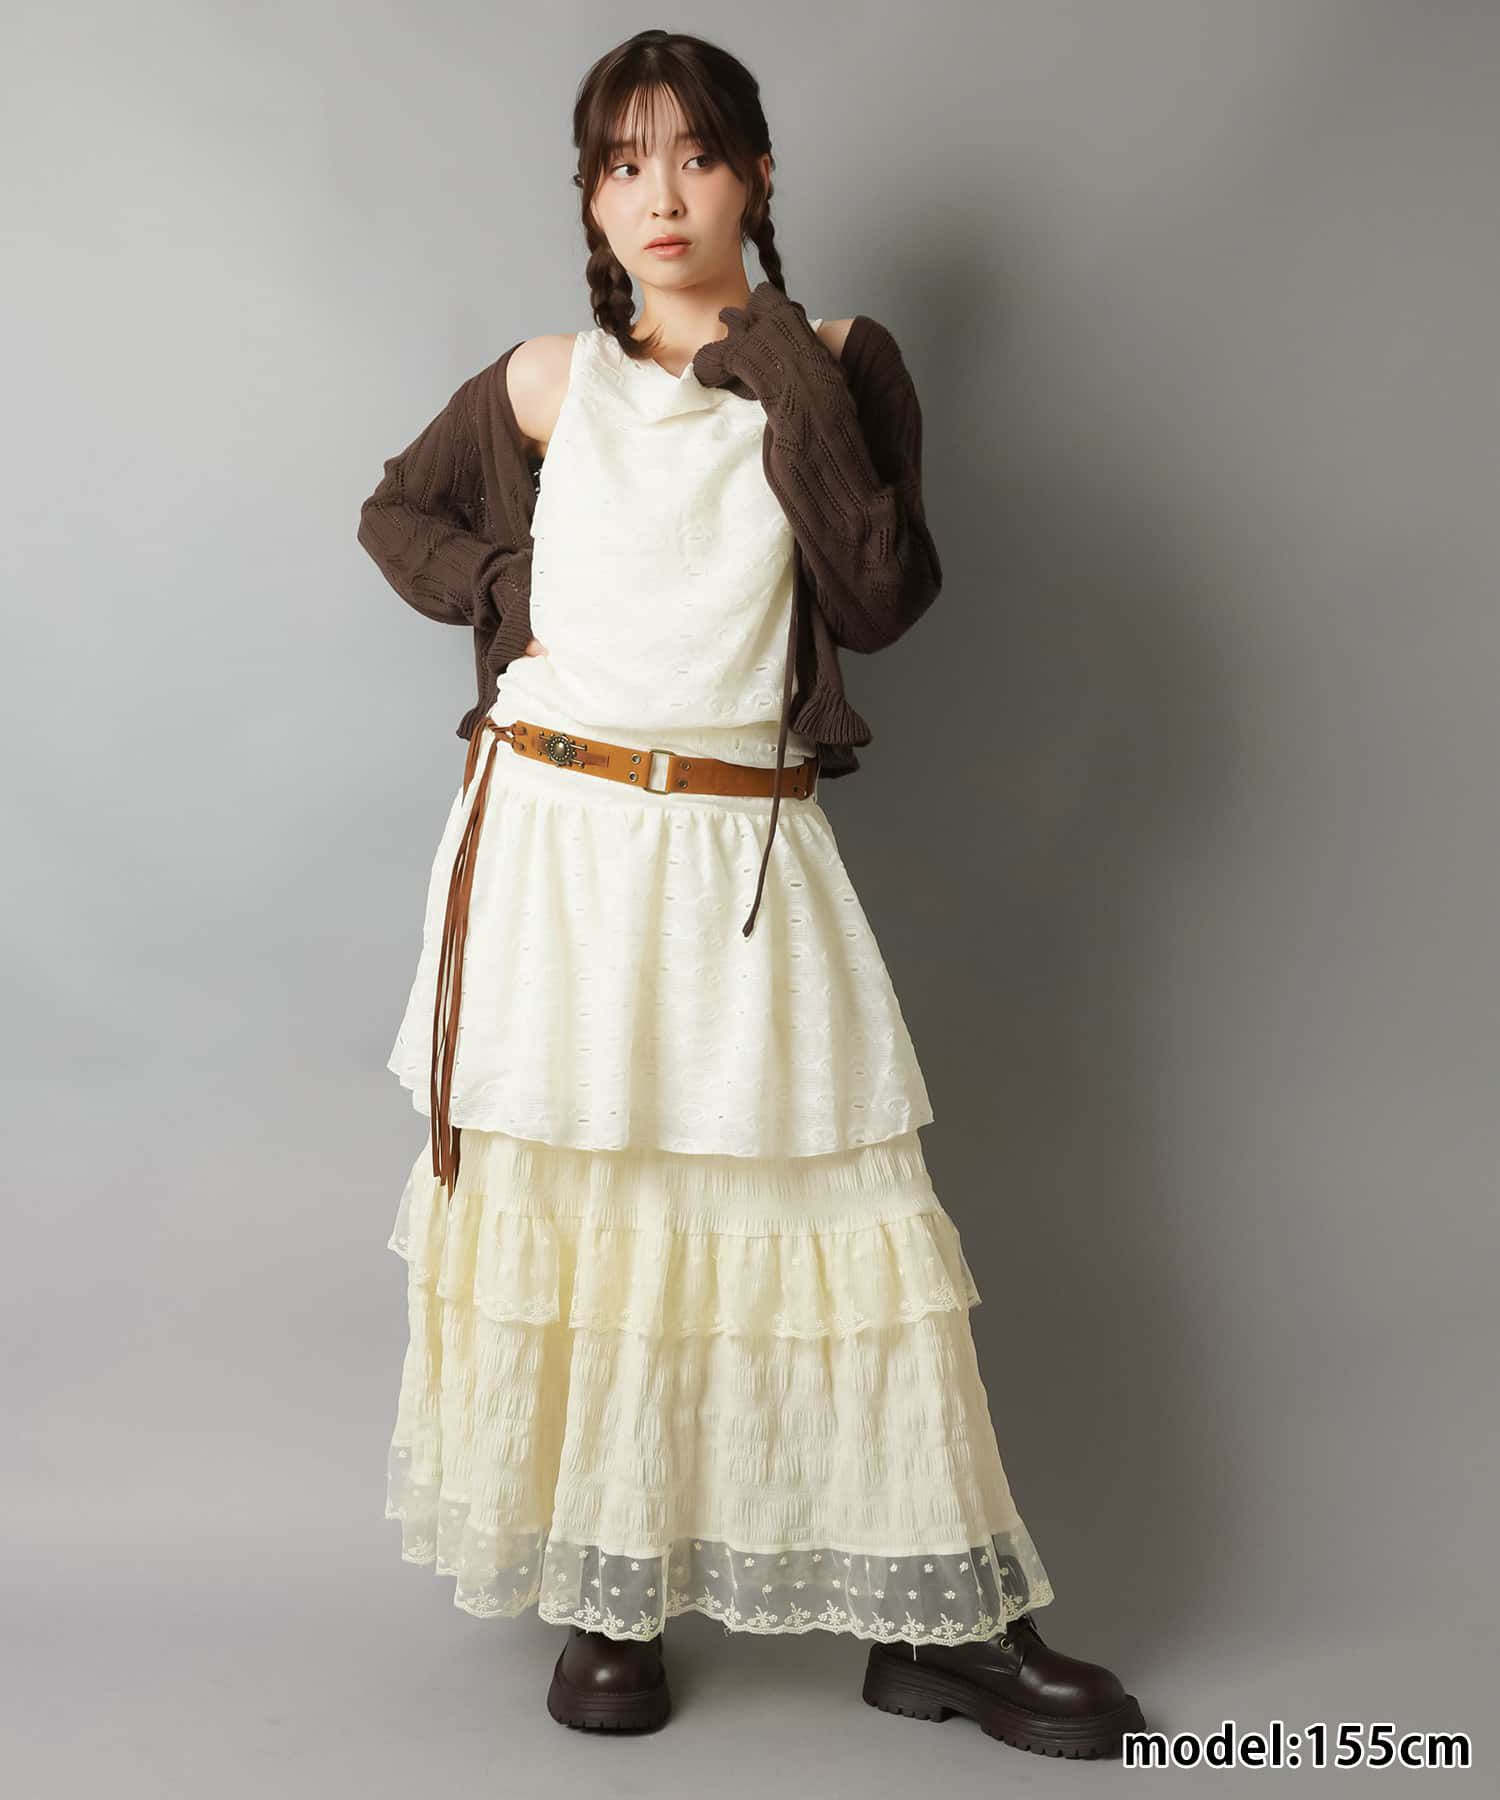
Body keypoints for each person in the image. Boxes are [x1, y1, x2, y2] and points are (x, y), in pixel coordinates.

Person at [356, 27, 1144, 1757]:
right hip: (553, 836)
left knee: (835, 1208)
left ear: (758, 177)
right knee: (591, 1194)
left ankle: (945, 1620)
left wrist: (776, 359)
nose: (660, 194)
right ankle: (609, 1591)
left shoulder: (840, 361)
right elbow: (395, 515)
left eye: (696, 156)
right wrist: (507, 585)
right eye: (622, 162)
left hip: (740, 844)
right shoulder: (549, 379)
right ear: (590, 195)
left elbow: (880, 595)